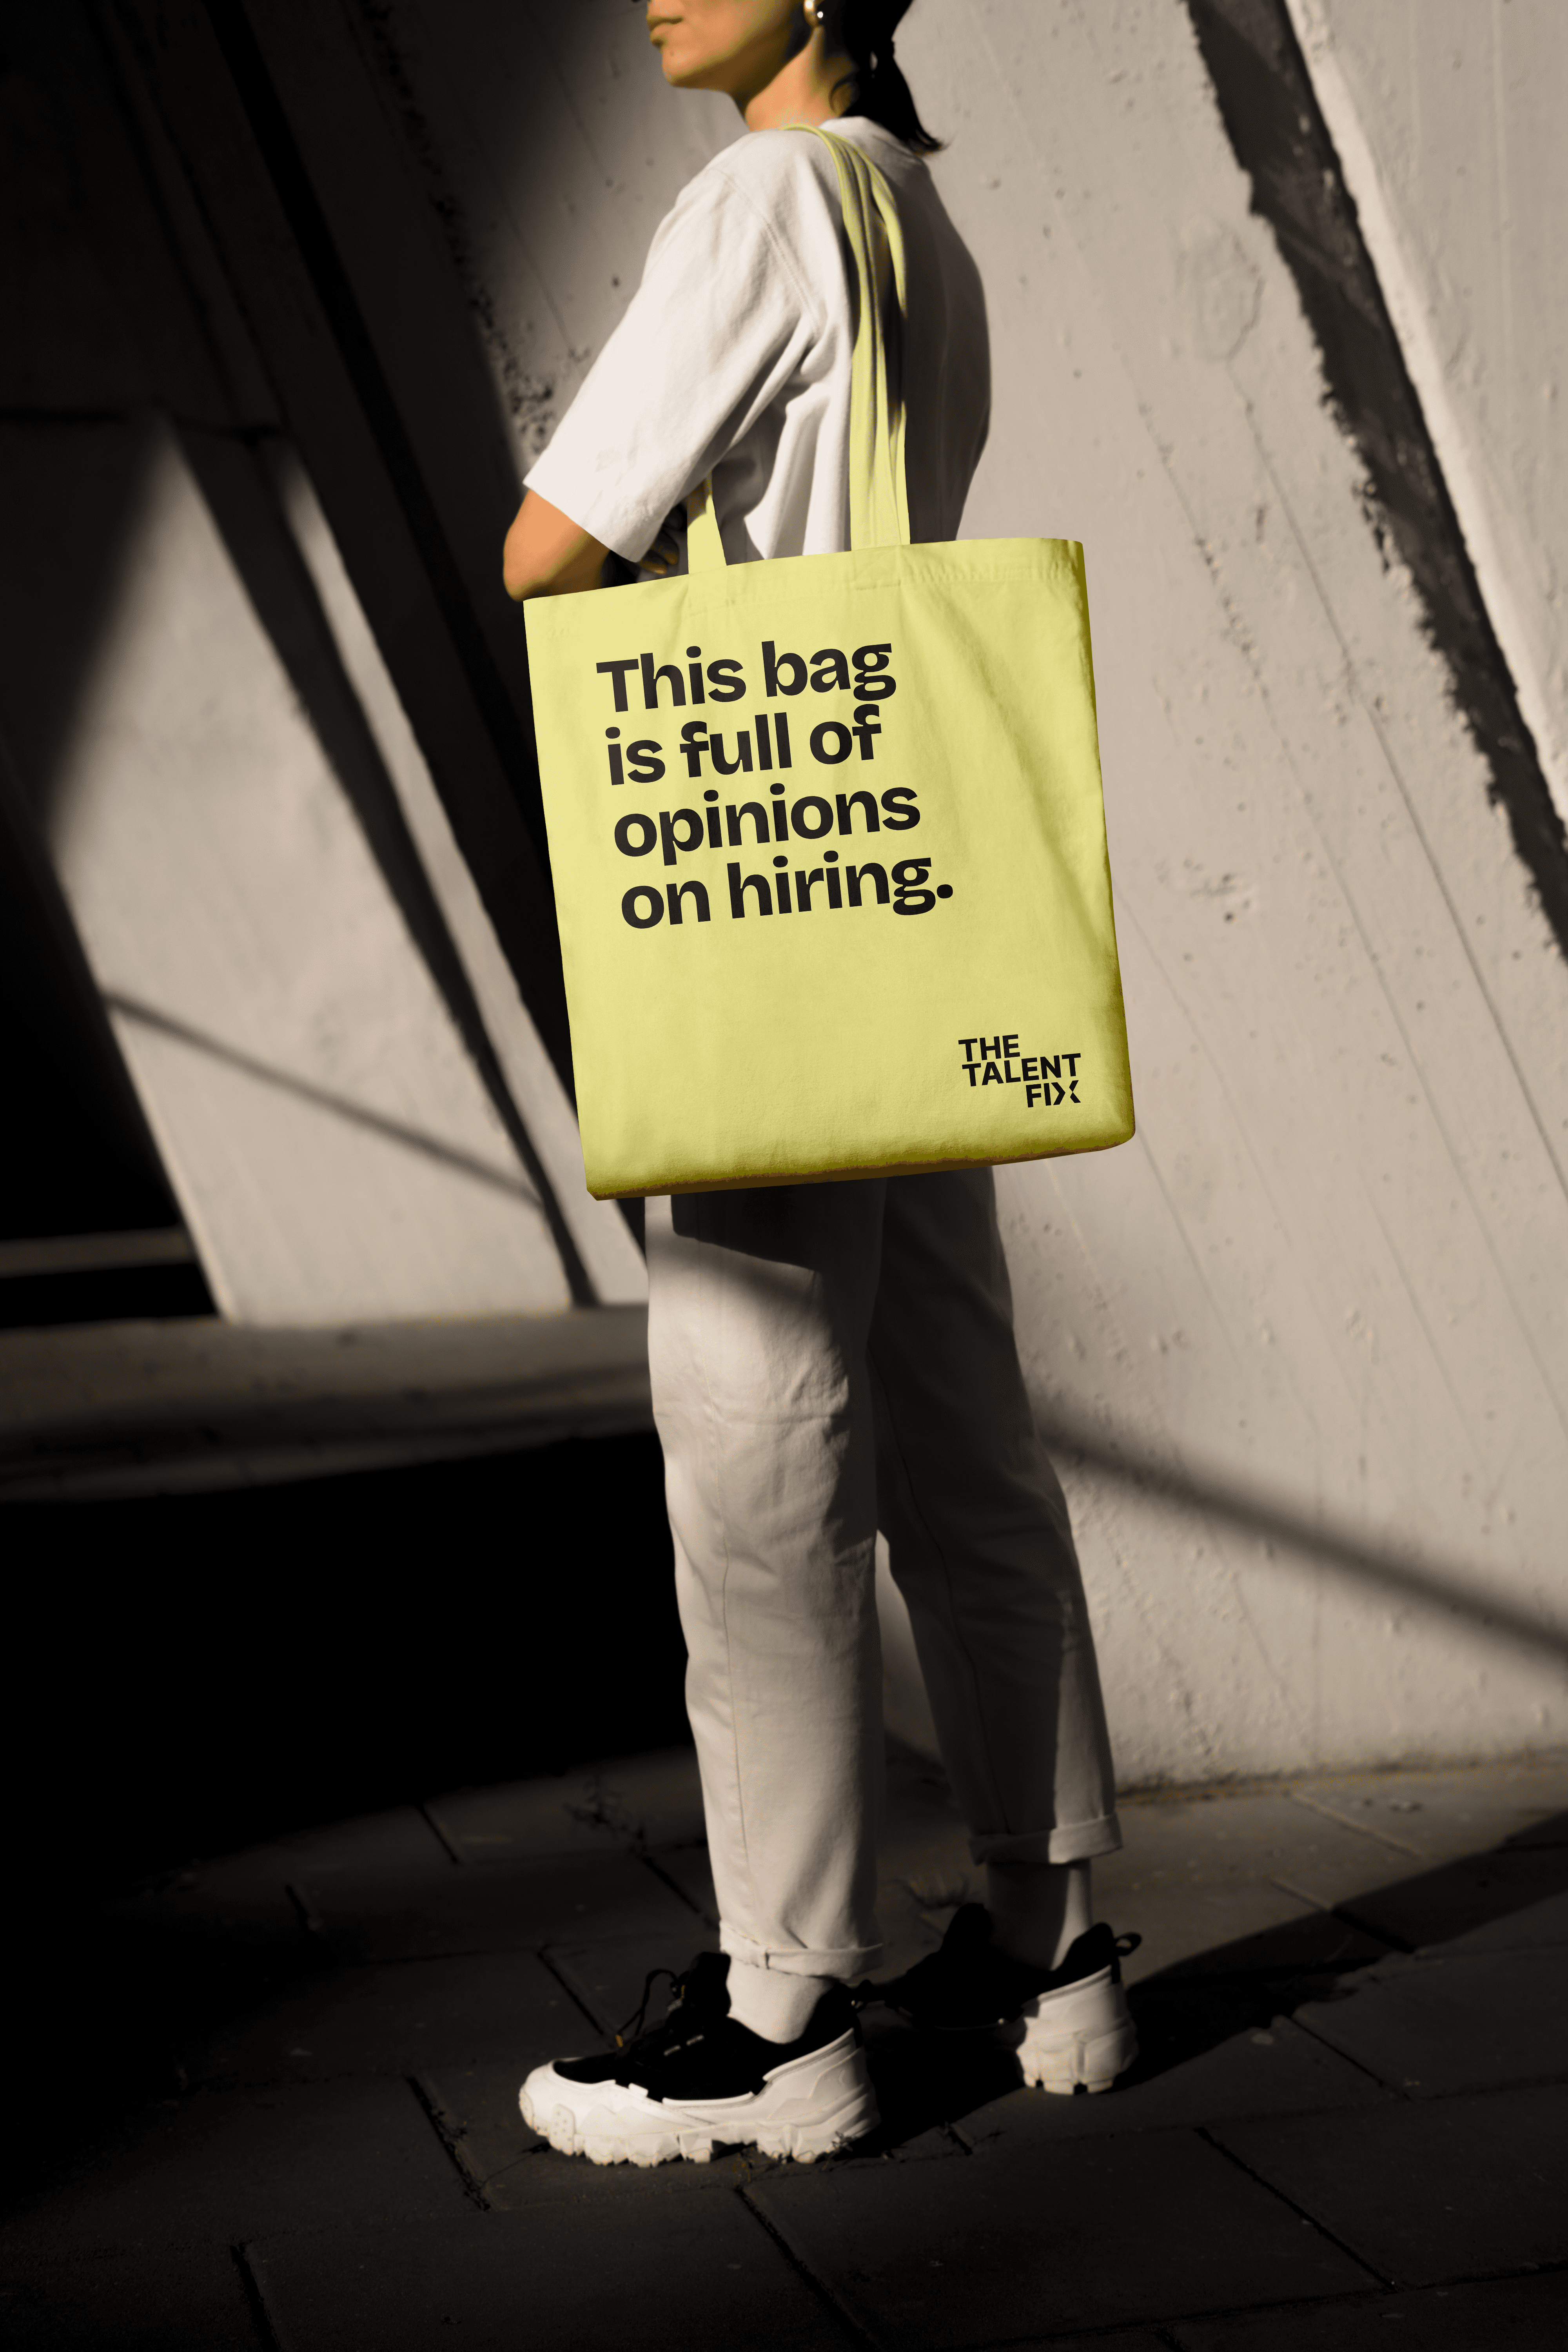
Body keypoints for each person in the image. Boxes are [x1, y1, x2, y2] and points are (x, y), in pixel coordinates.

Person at [504, 0, 1135, 2168]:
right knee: (960, 1423)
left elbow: (552, 540)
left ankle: (783, 2009)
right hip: (911, 892)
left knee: (758, 1442)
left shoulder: (764, 196)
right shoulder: (915, 217)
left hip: (775, 894)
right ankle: (1054, 1939)